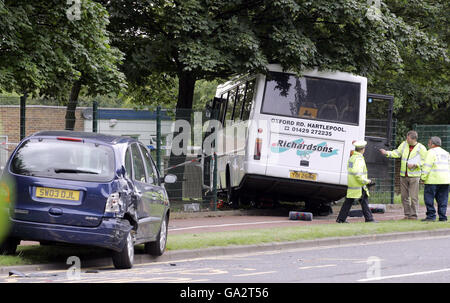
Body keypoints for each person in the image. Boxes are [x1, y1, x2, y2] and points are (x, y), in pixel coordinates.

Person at [379, 130, 427, 220]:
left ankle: (413, 215)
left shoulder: (421, 148)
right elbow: (397, 153)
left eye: (407, 138)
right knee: (404, 196)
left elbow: (425, 161)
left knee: (413, 197)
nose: (406, 139)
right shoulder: (404, 144)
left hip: (414, 176)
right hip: (403, 175)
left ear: (413, 139)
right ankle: (407, 214)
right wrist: (387, 153)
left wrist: (415, 165)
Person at [336, 140, 376, 223]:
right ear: (362, 149)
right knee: (363, 200)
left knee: (349, 201)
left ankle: (341, 219)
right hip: (359, 184)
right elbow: (357, 173)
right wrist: (366, 181)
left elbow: (351, 170)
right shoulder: (359, 159)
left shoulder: (353, 157)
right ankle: (369, 219)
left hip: (353, 184)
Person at [420, 137, 450, 222]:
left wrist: (423, 178)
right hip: (445, 180)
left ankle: (431, 216)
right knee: (443, 200)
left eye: (429, 143)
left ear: (432, 144)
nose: (428, 145)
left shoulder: (430, 152)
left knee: (429, 199)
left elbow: (427, 166)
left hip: (432, 180)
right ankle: (442, 217)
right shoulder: (446, 153)